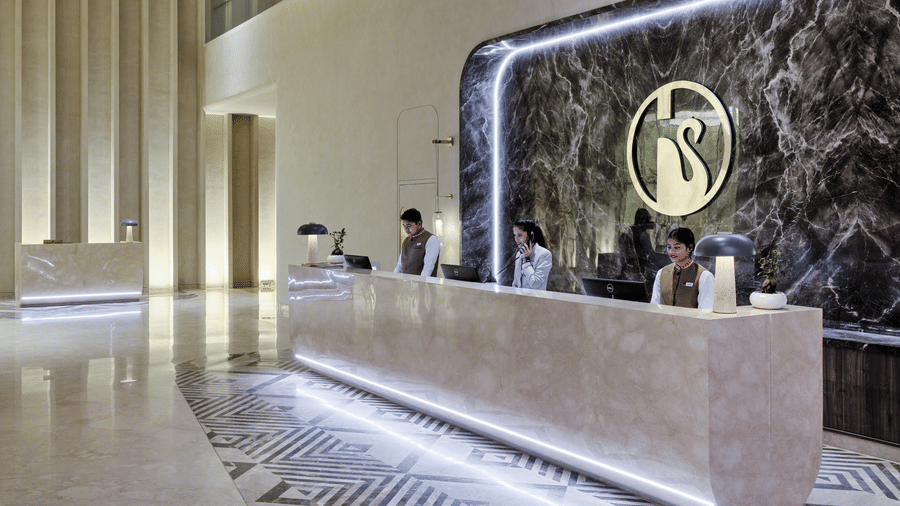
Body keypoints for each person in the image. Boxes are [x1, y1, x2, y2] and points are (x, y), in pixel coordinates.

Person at [650, 227, 714, 309]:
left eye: (677, 247)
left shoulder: (704, 276)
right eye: (669, 247)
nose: (671, 252)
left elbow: (706, 312)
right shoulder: (661, 273)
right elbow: (654, 307)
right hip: (664, 321)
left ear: (690, 248)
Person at [394, 208, 440, 276]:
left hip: (422, 285)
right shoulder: (406, 241)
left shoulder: (431, 239)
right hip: (404, 285)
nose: (406, 229)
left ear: (419, 224)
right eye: (404, 226)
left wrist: (420, 285)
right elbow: (399, 266)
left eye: (409, 226)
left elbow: (428, 268)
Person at [512, 217, 552, 291]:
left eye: (520, 235)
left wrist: (526, 261)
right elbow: (515, 283)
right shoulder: (519, 254)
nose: (516, 239)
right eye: (515, 235)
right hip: (518, 301)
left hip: (535, 301)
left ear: (531, 235)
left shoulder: (545, 254)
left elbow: (536, 284)